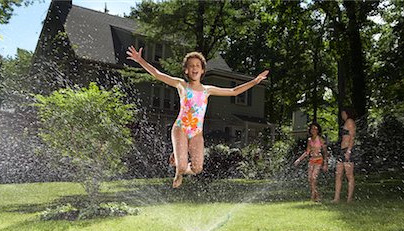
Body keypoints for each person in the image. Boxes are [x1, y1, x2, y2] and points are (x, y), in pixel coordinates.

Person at [126, 46, 269, 188]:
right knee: (182, 167)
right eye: (191, 66)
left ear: (202, 70)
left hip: (196, 133)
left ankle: (178, 161)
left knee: (197, 169)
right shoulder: (181, 85)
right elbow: (157, 74)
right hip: (180, 128)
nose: (194, 68)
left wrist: (255, 81)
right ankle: (179, 171)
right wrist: (140, 60)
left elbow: (234, 91)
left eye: (197, 66)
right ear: (186, 70)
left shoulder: (207, 90)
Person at [294, 122, 328, 202]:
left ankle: (313, 196)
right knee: (310, 179)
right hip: (312, 160)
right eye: (312, 128)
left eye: (315, 129)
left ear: (318, 130)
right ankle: (317, 196)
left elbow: (325, 152)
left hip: (319, 159)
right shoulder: (309, 140)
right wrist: (299, 159)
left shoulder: (320, 139)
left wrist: (325, 163)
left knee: (314, 177)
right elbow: (307, 152)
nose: (314, 130)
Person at [332, 107, 356, 203]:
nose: (342, 115)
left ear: (347, 113)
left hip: (347, 150)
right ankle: (336, 198)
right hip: (342, 151)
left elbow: (352, 137)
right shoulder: (346, 122)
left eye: (343, 113)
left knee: (349, 175)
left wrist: (349, 151)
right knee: (338, 174)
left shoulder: (350, 121)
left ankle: (349, 198)